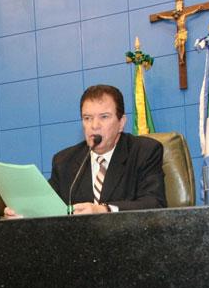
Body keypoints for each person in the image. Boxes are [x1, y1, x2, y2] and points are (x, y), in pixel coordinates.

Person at [8, 85, 166, 216]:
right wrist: (24, 213)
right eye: (87, 118)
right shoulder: (64, 161)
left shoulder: (144, 152)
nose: (94, 125)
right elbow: (49, 206)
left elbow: (155, 203)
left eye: (104, 117)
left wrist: (104, 209)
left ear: (121, 122)